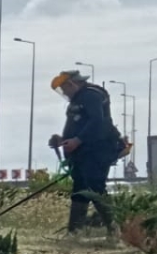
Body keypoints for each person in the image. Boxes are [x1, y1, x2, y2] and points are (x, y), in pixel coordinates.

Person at [48, 72, 121, 234]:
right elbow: (78, 126)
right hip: (82, 153)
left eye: (64, 88)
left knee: (95, 187)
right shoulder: (77, 100)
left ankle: (115, 229)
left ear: (71, 84)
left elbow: (97, 122)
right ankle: (75, 231)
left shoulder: (91, 96)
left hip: (97, 151)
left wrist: (77, 141)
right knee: (80, 188)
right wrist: (61, 140)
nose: (64, 93)